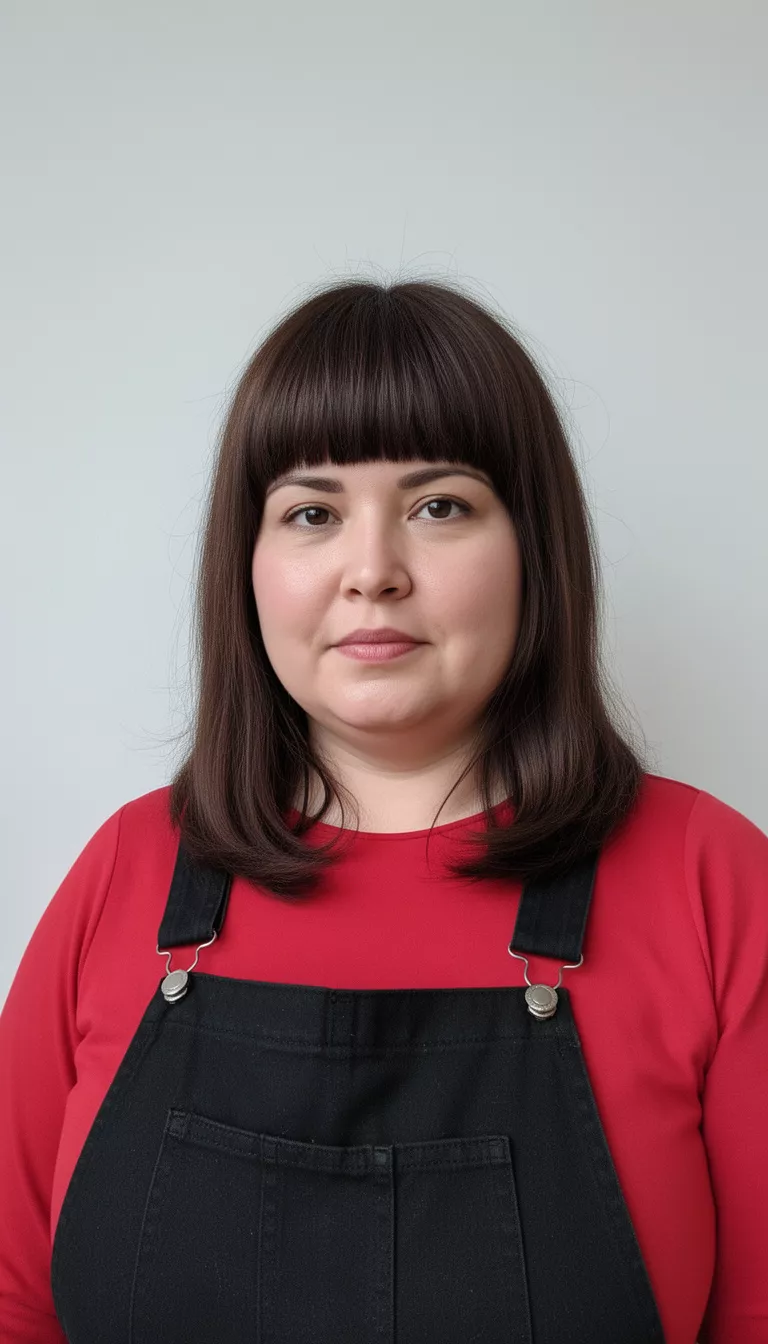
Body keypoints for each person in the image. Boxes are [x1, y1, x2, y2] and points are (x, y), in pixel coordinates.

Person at [1, 278, 766, 1344]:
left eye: (439, 506)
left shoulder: (707, 877)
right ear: (247, 563)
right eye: (312, 513)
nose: (373, 572)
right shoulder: (128, 867)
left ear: (534, 548)